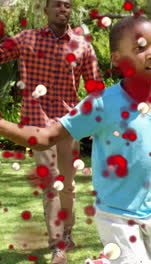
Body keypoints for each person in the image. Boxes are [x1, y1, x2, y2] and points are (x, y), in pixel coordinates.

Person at [0, 15, 151, 264]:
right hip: (116, 216)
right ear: (117, 59)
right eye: (141, 47)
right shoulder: (100, 103)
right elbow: (47, 137)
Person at [0, 0, 101, 263]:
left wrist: (97, 122)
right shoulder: (26, 39)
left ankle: (67, 232)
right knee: (51, 185)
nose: (62, 9)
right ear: (45, 10)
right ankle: (57, 246)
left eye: (67, 5)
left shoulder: (83, 46)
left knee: (67, 185)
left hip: (69, 125)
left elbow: (95, 89)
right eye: (56, 5)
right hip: (36, 122)